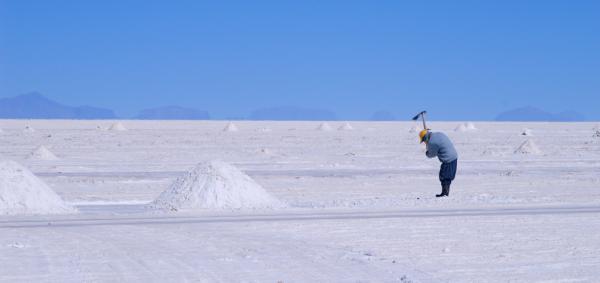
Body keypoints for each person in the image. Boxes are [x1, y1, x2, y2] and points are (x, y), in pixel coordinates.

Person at [419, 129, 458, 197]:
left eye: (424, 141)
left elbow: (431, 154)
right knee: (446, 176)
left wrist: (427, 151)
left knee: (444, 176)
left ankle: (445, 193)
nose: (424, 142)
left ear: (425, 138)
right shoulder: (437, 134)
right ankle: (445, 192)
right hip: (454, 157)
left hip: (448, 159)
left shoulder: (432, 142)